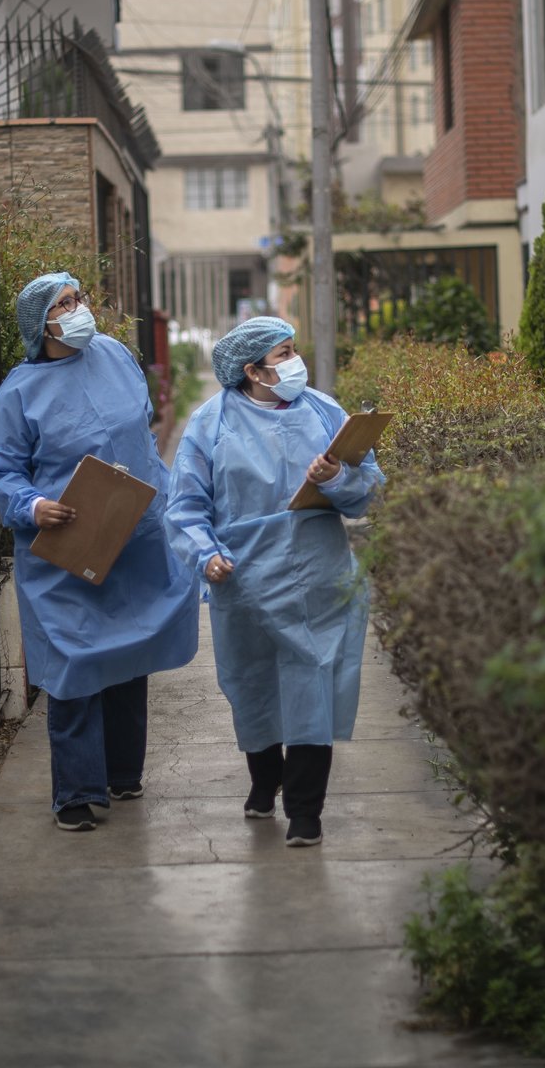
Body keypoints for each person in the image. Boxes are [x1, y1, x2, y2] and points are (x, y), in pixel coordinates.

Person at [0, 272, 200, 832]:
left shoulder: (115, 356)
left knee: (129, 655)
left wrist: (163, 498)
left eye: (79, 299)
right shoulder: (19, 393)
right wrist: (32, 507)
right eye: (65, 304)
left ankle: (123, 773)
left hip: (136, 532)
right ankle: (77, 793)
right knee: (74, 664)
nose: (80, 310)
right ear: (41, 323)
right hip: (66, 545)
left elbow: (143, 432)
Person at [166, 316, 384, 847]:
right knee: (254, 684)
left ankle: (306, 811)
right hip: (245, 575)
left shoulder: (324, 410)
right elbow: (186, 506)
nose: (294, 363)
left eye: (293, 350)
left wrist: (339, 479)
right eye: (282, 355)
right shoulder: (210, 423)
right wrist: (205, 555)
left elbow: (368, 486)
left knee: (314, 679)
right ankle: (265, 780)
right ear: (252, 371)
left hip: (319, 568)